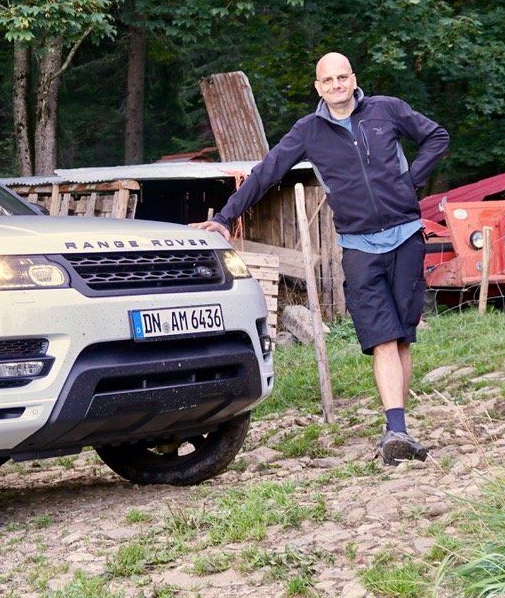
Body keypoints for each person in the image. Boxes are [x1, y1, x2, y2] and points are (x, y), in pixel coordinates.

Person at [192, 53, 449, 465]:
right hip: (359, 246)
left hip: (405, 237)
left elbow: (437, 136)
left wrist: (410, 181)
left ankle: (399, 427)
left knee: (402, 336)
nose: (336, 85)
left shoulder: (386, 110)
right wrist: (225, 217)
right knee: (382, 337)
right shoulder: (309, 131)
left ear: (353, 79)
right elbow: (267, 172)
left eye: (342, 77)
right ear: (318, 87)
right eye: (328, 80)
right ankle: (396, 429)